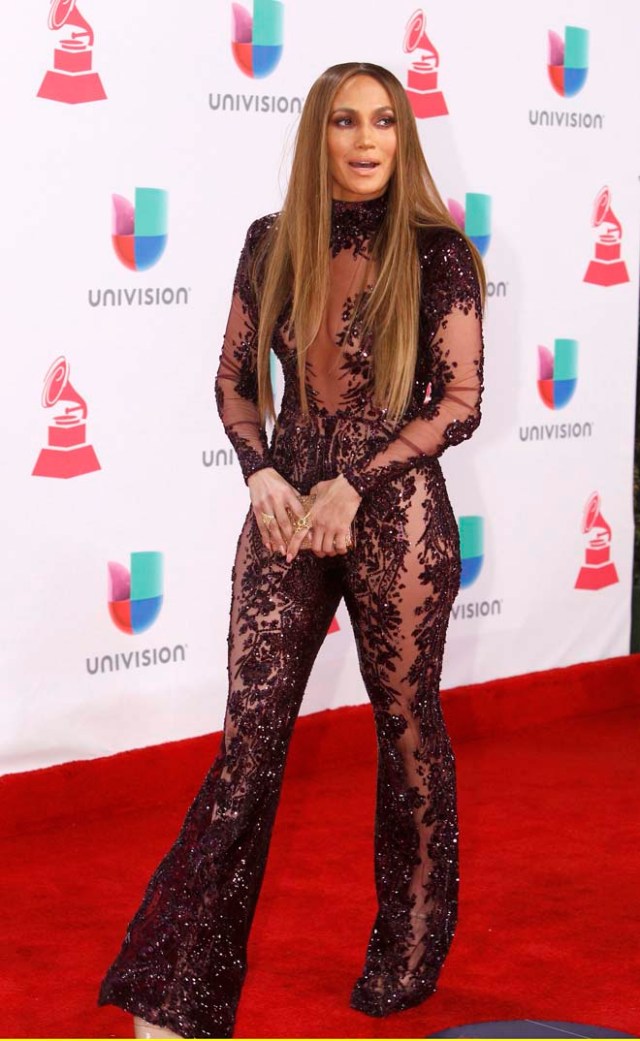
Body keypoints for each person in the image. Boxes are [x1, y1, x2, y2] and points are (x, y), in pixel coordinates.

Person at [97, 60, 485, 1039]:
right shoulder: (271, 245)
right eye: (344, 122)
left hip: (393, 510)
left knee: (405, 732)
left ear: (404, 137)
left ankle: (406, 952)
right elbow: (233, 381)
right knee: (250, 745)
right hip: (283, 507)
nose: (363, 141)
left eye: (383, 122)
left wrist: (355, 485)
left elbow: (459, 403)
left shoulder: (438, 251)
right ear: (316, 135)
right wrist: (262, 472)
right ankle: (180, 991)